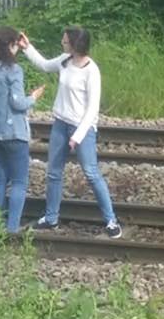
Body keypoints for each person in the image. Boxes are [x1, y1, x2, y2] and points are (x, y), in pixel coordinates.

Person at [17, 26, 123, 239]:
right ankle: (51, 217)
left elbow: (92, 109)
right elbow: (45, 65)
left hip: (81, 128)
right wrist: (27, 48)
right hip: (60, 123)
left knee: (91, 173)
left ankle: (111, 220)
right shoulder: (65, 60)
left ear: (76, 45)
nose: (62, 44)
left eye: (65, 42)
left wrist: (77, 136)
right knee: (54, 173)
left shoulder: (92, 71)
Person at [0, 27, 45, 234]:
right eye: (15, 44)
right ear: (10, 46)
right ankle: (12, 227)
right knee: (19, 181)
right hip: (13, 132)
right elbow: (18, 104)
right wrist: (34, 96)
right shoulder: (13, 71)